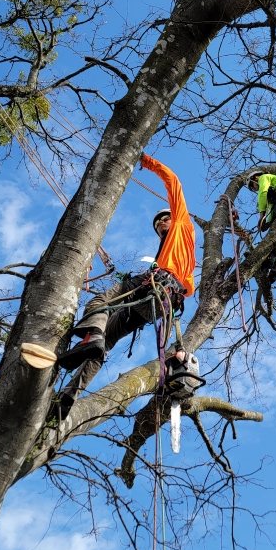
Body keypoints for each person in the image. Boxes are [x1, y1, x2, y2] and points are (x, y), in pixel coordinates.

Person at [55, 153, 195, 417]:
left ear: (173, 218)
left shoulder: (182, 226)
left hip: (158, 288)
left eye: (163, 221)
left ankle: (92, 335)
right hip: (158, 304)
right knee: (105, 342)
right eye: (157, 226)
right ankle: (70, 395)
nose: (160, 226)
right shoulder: (173, 255)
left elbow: (173, 182)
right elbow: (188, 289)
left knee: (100, 302)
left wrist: (147, 161)